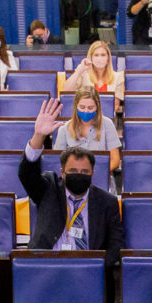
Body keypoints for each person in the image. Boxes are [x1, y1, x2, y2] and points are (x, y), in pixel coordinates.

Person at [21, 100, 123, 267]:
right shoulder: (49, 189)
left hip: (88, 271)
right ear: (62, 172)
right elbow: (27, 174)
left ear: (92, 174)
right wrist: (38, 136)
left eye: (84, 172)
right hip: (47, 268)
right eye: (73, 171)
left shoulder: (107, 202)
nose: (78, 175)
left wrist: (95, 268)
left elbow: (116, 245)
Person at [53, 86, 122, 179]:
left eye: (90, 108)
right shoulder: (64, 129)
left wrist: (94, 174)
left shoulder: (107, 124)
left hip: (100, 177)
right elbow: (59, 161)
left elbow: (115, 159)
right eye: (82, 107)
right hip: (73, 179)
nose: (86, 111)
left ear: (97, 107)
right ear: (76, 106)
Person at [65, 40, 126, 106]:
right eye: (96, 55)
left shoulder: (118, 77)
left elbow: (115, 107)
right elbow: (66, 91)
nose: (99, 59)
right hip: (86, 113)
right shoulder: (83, 74)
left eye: (103, 55)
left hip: (106, 115)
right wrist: (79, 70)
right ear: (91, 57)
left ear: (108, 58)